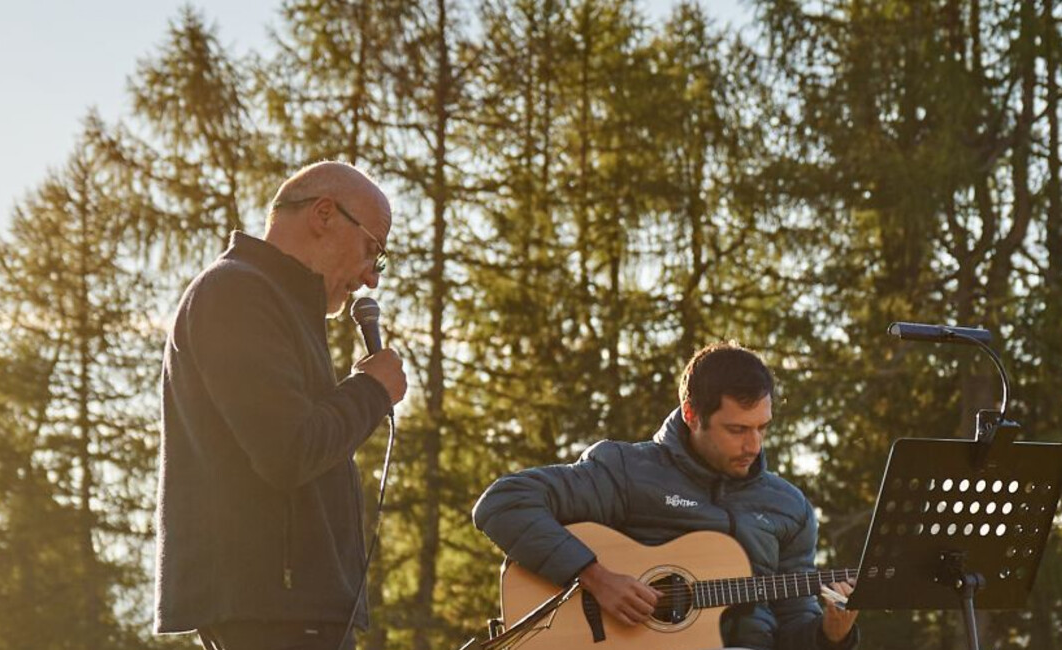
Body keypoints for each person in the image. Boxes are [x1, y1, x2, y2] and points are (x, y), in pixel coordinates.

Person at [153, 161, 408, 650]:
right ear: (324, 214)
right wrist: (371, 390)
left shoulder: (276, 303)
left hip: (292, 608)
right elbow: (288, 450)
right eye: (372, 249)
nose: (372, 278)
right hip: (273, 610)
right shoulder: (237, 291)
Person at [473, 342, 860, 650]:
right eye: (737, 429)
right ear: (692, 415)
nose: (754, 445)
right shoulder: (627, 471)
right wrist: (596, 577)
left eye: (762, 428)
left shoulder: (789, 507)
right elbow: (504, 503)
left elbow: (792, 626)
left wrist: (831, 634)